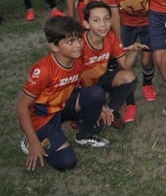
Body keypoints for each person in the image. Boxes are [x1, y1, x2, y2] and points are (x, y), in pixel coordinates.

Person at [16, 16, 109, 172]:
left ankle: (84, 136)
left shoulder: (77, 59)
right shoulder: (44, 70)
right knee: (66, 162)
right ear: (54, 46)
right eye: (70, 42)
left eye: (79, 39)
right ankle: (31, 137)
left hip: (62, 105)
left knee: (97, 94)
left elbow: (76, 82)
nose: (78, 45)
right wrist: (34, 143)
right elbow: (21, 107)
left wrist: (100, 104)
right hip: (42, 116)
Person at [104, 0, 157, 114]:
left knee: (147, 59)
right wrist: (119, 43)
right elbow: (115, 15)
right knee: (125, 64)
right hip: (128, 24)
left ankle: (147, 83)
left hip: (148, 21)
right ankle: (130, 102)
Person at [79, 1, 139, 129]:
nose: (103, 24)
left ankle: (110, 111)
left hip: (99, 80)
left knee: (129, 77)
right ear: (86, 24)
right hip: (80, 87)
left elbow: (125, 66)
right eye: (96, 20)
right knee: (94, 127)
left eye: (106, 19)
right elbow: (73, 81)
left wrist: (134, 51)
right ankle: (80, 113)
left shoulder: (110, 36)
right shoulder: (79, 45)